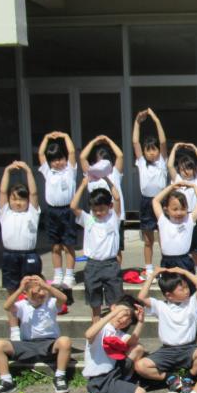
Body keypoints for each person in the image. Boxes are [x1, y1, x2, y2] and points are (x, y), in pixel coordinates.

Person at [134, 267, 197, 393]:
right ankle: (171, 378)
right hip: (166, 351)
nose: (187, 291)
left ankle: (188, 378)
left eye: (186, 287)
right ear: (169, 295)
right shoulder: (160, 306)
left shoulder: (193, 302)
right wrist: (153, 275)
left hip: (188, 349)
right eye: (181, 289)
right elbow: (141, 297)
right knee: (140, 366)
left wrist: (184, 272)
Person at [0, 275, 72, 393]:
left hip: (49, 344)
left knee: (65, 341)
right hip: (27, 344)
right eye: (36, 291)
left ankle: (60, 376)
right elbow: (7, 306)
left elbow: (63, 298)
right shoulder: (22, 305)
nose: (41, 293)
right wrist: (20, 288)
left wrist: (46, 286)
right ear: (25, 294)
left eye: (43, 290)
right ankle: (6, 380)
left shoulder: (50, 303)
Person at [71, 176, 123, 324]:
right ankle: (96, 327)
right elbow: (73, 206)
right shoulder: (88, 219)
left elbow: (117, 198)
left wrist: (107, 179)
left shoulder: (113, 218)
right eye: (95, 210)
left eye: (101, 209)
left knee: (115, 302)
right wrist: (82, 186)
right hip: (92, 265)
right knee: (95, 303)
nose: (98, 213)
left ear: (109, 206)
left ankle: (114, 329)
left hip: (111, 264)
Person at [83, 296, 147, 393]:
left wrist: (140, 321)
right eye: (125, 314)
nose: (125, 320)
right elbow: (88, 335)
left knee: (138, 348)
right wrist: (113, 313)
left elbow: (132, 342)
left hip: (114, 372)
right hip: (100, 379)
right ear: (114, 307)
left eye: (129, 319)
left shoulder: (118, 332)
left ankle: (117, 387)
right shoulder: (101, 328)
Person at [132, 108, 168, 279]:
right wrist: (137, 122)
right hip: (146, 202)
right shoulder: (141, 162)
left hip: (161, 202)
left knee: (164, 237)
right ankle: (148, 268)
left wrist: (156, 120)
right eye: (148, 150)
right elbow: (135, 142)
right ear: (144, 152)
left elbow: (163, 141)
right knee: (148, 240)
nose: (152, 152)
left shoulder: (162, 161)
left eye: (154, 149)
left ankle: (165, 266)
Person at [38, 131, 77, 288]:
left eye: (60, 159)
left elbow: (72, 151)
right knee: (55, 246)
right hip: (52, 212)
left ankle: (69, 275)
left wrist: (65, 136)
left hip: (67, 211)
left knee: (68, 245)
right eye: (54, 160)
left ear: (65, 159)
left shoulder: (70, 170)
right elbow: (40, 153)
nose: (57, 162)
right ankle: (58, 274)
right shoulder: (48, 172)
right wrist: (46, 137)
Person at [80, 135, 126, 264]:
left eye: (105, 161)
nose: (102, 165)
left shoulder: (114, 172)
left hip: (113, 216)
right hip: (96, 216)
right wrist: (94, 141)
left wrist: (109, 140)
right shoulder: (90, 174)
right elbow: (82, 157)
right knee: (96, 244)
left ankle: (115, 271)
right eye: (99, 161)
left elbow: (120, 155)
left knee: (116, 248)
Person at [0, 161, 42, 292]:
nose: (18, 203)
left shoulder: (32, 213)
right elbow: (2, 191)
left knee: (32, 289)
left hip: (29, 255)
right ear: (9, 200)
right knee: (11, 289)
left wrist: (28, 171)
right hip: (10, 255)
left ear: (27, 201)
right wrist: (7, 171)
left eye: (22, 199)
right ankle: (13, 306)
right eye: (14, 199)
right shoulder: (5, 212)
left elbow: (34, 193)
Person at [168, 143, 197, 269]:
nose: (186, 171)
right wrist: (174, 148)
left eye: (189, 168)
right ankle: (182, 268)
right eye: (183, 169)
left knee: (196, 247)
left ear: (194, 169)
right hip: (181, 217)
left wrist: (195, 148)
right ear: (179, 170)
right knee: (182, 245)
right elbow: (170, 165)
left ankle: (196, 269)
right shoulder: (178, 179)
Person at [152, 182, 197, 273]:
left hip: (184, 261)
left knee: (187, 282)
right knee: (169, 282)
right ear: (166, 210)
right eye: (175, 209)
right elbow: (155, 201)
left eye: (183, 209)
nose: (179, 213)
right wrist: (171, 187)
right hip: (167, 261)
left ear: (187, 209)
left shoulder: (189, 220)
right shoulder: (163, 221)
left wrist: (194, 186)